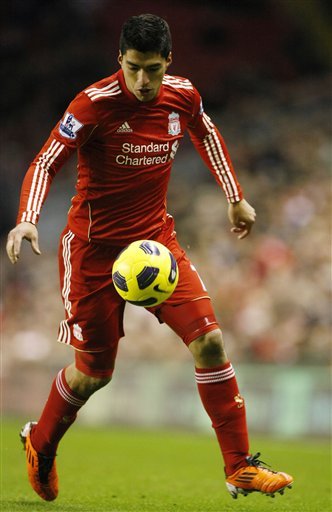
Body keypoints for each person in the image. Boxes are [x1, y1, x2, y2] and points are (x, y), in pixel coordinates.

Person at [6, 14, 293, 502]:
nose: (143, 81)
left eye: (153, 69)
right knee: (94, 372)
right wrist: (28, 217)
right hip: (93, 253)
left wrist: (234, 195)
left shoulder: (184, 95)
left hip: (155, 244)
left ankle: (239, 467)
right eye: (134, 67)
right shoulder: (92, 104)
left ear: (169, 63)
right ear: (120, 59)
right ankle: (41, 442)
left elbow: (206, 132)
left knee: (210, 342)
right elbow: (47, 158)